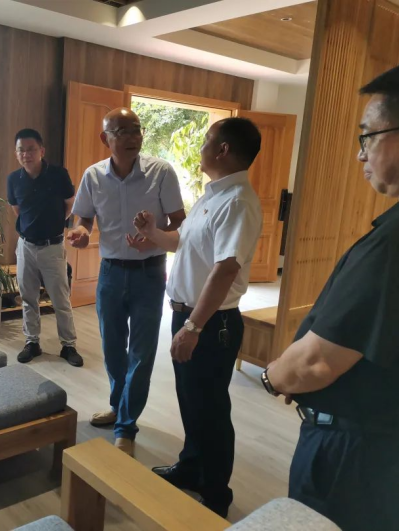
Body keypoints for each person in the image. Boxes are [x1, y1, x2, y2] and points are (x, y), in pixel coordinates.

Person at [263, 57, 399, 532]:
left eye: (369, 136)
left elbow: (315, 363)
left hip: (356, 454)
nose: (361, 155)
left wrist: (273, 378)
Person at [135, 117, 263, 518]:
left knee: (210, 409)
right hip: (190, 318)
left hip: (211, 324)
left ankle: (216, 494)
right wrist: (153, 233)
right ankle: (191, 467)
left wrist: (193, 327)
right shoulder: (214, 195)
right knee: (191, 401)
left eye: (207, 140)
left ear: (223, 150)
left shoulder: (237, 201)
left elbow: (226, 269)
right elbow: (183, 242)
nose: (201, 147)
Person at [68, 108, 186, 457]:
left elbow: (180, 222)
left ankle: (126, 425)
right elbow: (83, 218)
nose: (133, 137)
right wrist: (80, 232)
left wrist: (154, 238)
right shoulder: (93, 176)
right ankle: (119, 405)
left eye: (137, 129)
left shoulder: (161, 172)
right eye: (122, 131)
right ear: (105, 138)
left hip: (150, 273)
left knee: (142, 352)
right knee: (112, 348)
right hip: (110, 273)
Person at [7, 129, 83, 367]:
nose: (26, 154)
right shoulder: (13, 179)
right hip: (26, 246)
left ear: (41, 150)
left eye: (31, 149)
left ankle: (68, 345)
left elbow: (70, 204)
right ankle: (32, 342)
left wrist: (55, 225)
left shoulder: (58, 174)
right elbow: (17, 210)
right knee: (28, 297)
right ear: (16, 153)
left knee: (60, 298)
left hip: (52, 246)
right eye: (21, 150)